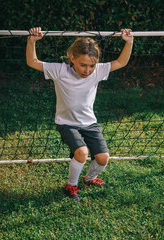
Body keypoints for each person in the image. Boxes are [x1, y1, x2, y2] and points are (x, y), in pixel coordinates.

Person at [26, 27, 133, 202]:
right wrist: (32, 41)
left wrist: (129, 42)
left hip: (90, 123)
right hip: (67, 123)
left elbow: (121, 62)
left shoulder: (98, 71)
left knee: (103, 158)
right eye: (83, 65)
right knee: (82, 153)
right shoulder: (60, 71)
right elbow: (32, 61)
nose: (87, 70)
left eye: (91, 65)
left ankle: (90, 178)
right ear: (72, 58)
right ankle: (71, 186)